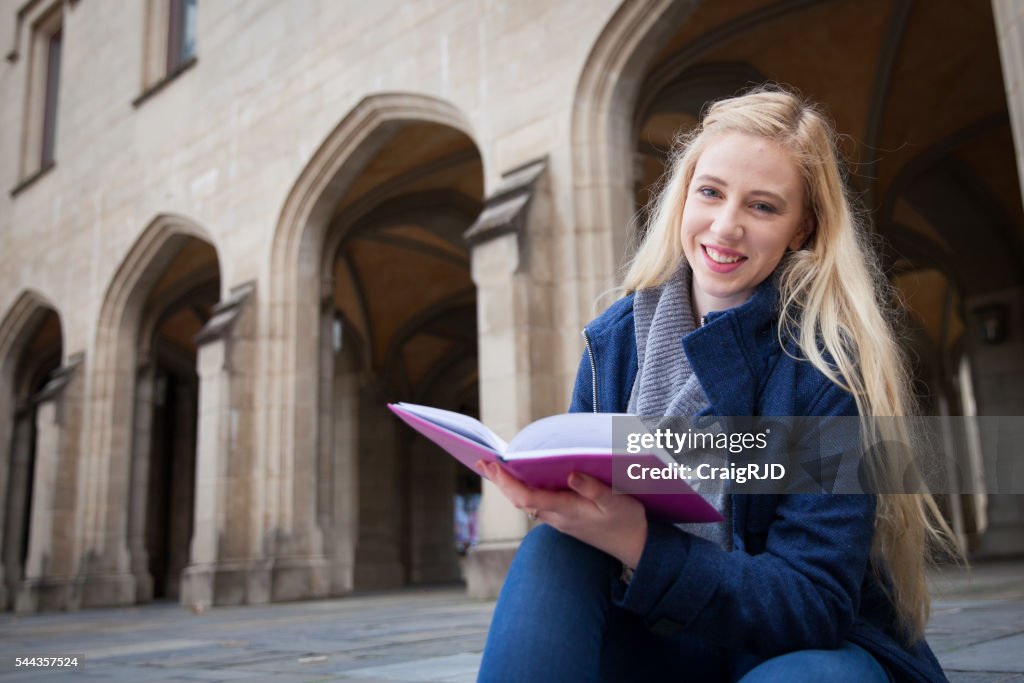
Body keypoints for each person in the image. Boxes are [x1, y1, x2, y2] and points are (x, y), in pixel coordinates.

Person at [475, 87, 955, 682]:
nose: (725, 227)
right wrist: (558, 504)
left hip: (795, 649)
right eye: (711, 192)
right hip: (658, 637)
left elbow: (814, 603)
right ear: (683, 196)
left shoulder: (827, 366)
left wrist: (640, 543)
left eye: (762, 207)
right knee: (554, 550)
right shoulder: (614, 342)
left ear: (801, 228)